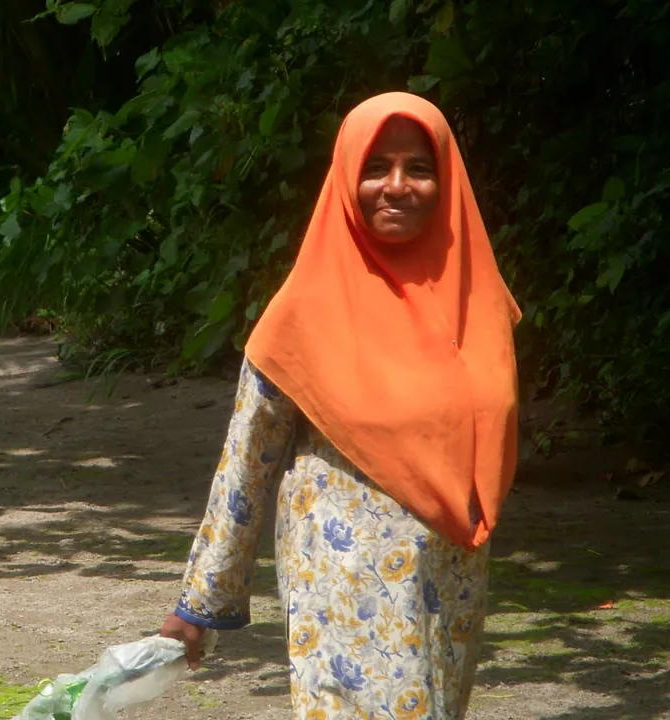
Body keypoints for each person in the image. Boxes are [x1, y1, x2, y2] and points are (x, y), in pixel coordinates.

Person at [159, 92, 522, 719]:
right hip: (346, 578)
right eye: (376, 166)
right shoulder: (305, 313)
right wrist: (201, 601)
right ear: (346, 175)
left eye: (419, 168)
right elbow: (247, 463)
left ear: (449, 180)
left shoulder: (479, 304)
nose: (397, 186)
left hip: (451, 578)